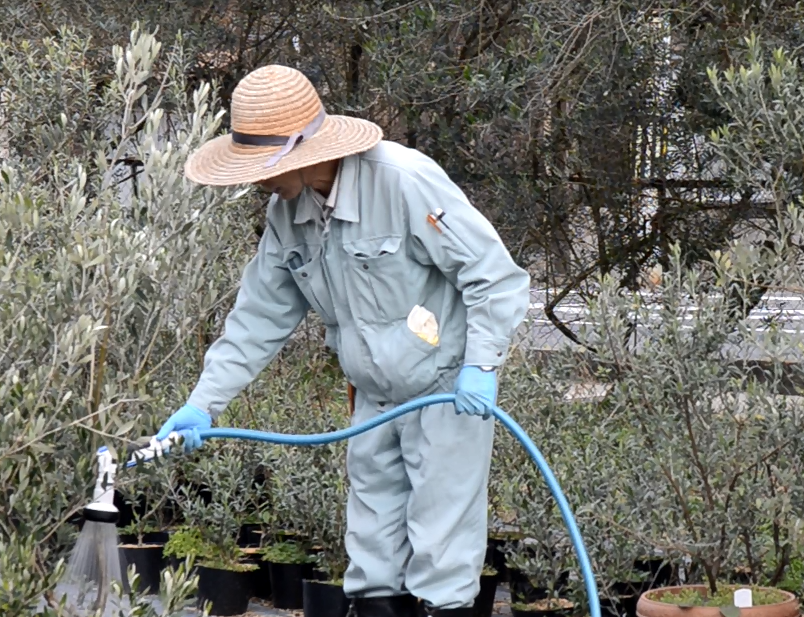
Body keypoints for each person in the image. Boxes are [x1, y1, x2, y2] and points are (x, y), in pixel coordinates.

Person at [154, 64, 530, 616]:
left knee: (442, 548)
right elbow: (258, 316)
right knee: (372, 551)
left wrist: (482, 364)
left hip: (445, 391)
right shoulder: (288, 213)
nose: (256, 179)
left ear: (306, 152)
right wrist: (202, 402)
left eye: (263, 165)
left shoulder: (404, 181)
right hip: (372, 400)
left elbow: (493, 277)